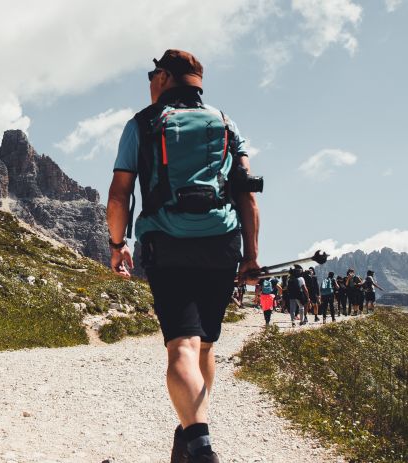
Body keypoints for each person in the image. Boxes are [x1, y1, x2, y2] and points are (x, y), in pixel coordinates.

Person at [106, 49, 260, 463]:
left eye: (154, 74)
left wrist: (116, 245)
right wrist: (251, 256)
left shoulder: (142, 123)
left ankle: (199, 443)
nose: (150, 81)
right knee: (205, 347)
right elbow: (245, 191)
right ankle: (193, 434)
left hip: (167, 243)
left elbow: (120, 193)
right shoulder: (227, 123)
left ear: (166, 78)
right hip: (222, 244)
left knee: (181, 347)